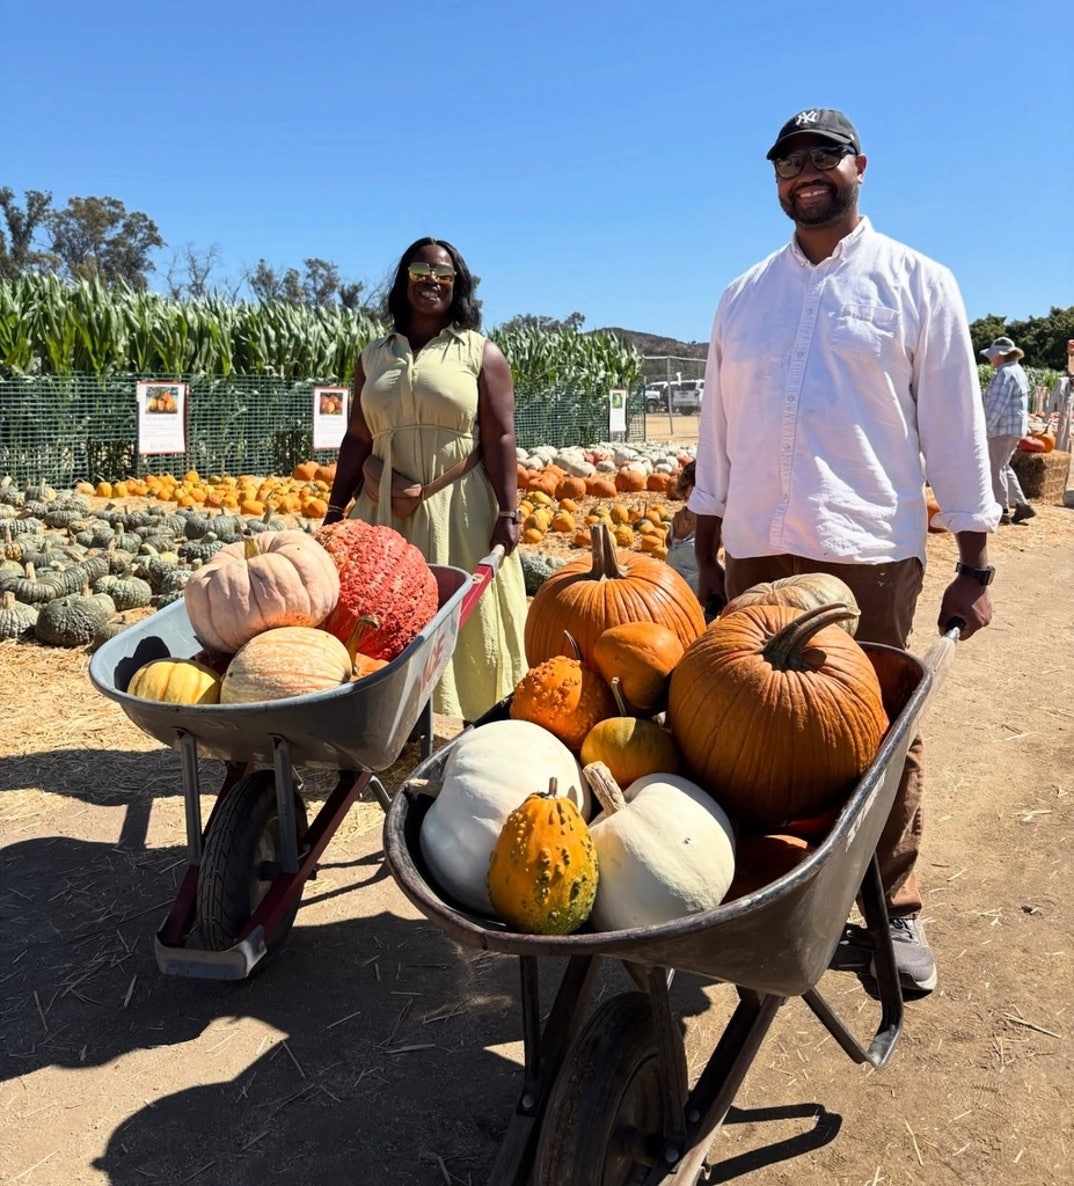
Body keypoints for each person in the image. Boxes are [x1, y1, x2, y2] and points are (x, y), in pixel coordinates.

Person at [690, 108, 1000, 995]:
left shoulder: (918, 283)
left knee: (881, 735)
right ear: (777, 180)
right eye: (790, 161)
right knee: (737, 731)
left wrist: (975, 564)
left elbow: (956, 431)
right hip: (754, 551)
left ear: (860, 165)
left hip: (865, 554)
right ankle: (760, 894)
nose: (807, 171)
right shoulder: (743, 296)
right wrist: (708, 553)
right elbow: (716, 437)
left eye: (824, 155)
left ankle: (893, 907)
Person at [323, 237, 528, 722]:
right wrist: (335, 511)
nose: (431, 281)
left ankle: (471, 719)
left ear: (457, 285)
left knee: (464, 617)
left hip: (458, 509)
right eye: (420, 271)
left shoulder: (480, 353)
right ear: (403, 281)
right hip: (381, 516)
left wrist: (508, 512)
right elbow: (356, 437)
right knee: (381, 610)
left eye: (443, 274)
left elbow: (500, 438)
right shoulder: (373, 357)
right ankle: (389, 720)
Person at [980, 336, 1035, 525]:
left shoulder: (1004, 374)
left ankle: (1001, 510)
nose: (990, 360)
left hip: (1002, 429)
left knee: (995, 468)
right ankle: (1022, 505)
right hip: (1014, 428)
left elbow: (997, 404)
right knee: (1004, 466)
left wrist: (985, 429)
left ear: (1001, 356)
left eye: (992, 356)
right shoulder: (1017, 370)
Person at [666, 460, 700, 596]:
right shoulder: (679, 516)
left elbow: (668, 542)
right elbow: (668, 541)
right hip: (676, 579)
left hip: (693, 581)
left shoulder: (711, 518)